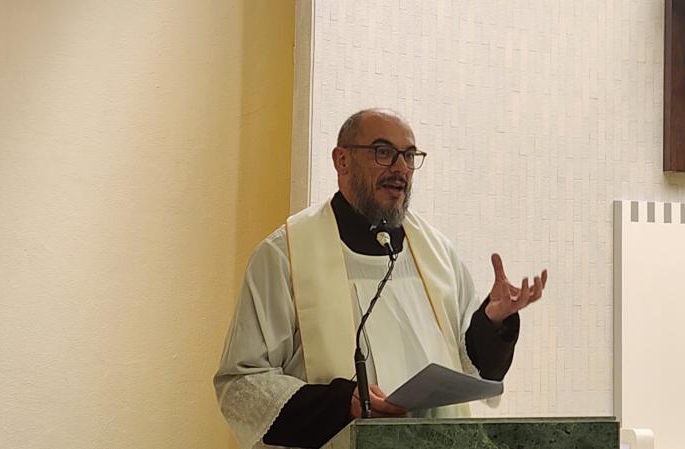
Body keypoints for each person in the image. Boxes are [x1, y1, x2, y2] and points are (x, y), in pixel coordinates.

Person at [214, 109, 547, 449]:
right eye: (383, 152)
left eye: (409, 155)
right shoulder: (285, 254)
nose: (400, 168)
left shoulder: (437, 253)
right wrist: (343, 404)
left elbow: (468, 365)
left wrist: (491, 323)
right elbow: (241, 384)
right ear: (342, 161)